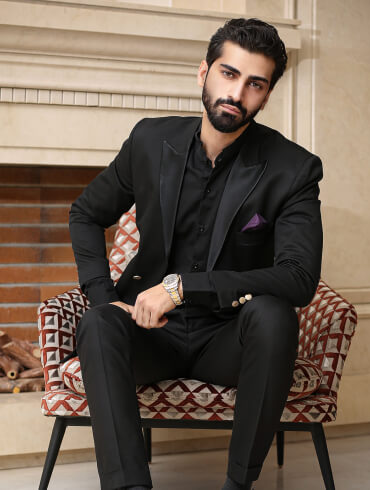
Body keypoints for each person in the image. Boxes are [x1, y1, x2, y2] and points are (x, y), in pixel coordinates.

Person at [69, 17, 323, 490]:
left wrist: (183, 287)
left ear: (267, 95)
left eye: (255, 84)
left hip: (229, 338)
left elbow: (299, 278)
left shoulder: (293, 169)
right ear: (203, 71)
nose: (237, 93)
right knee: (99, 323)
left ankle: (237, 484)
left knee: (274, 316)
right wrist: (106, 297)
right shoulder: (149, 141)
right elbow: (85, 213)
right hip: (149, 331)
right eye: (228, 74)